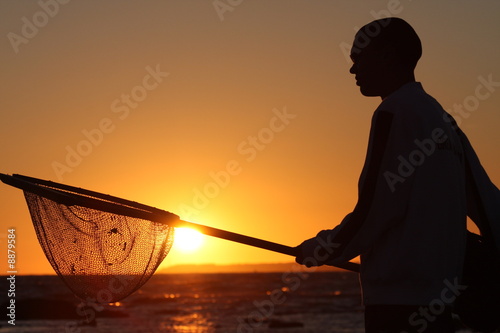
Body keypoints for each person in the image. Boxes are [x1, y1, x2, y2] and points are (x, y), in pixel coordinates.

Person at [295, 17, 500, 333]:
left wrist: (321, 248)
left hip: (396, 303)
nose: (352, 69)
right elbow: (488, 204)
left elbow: (375, 209)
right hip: (442, 302)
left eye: (358, 58)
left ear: (387, 55)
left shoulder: (393, 113)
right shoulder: (443, 120)